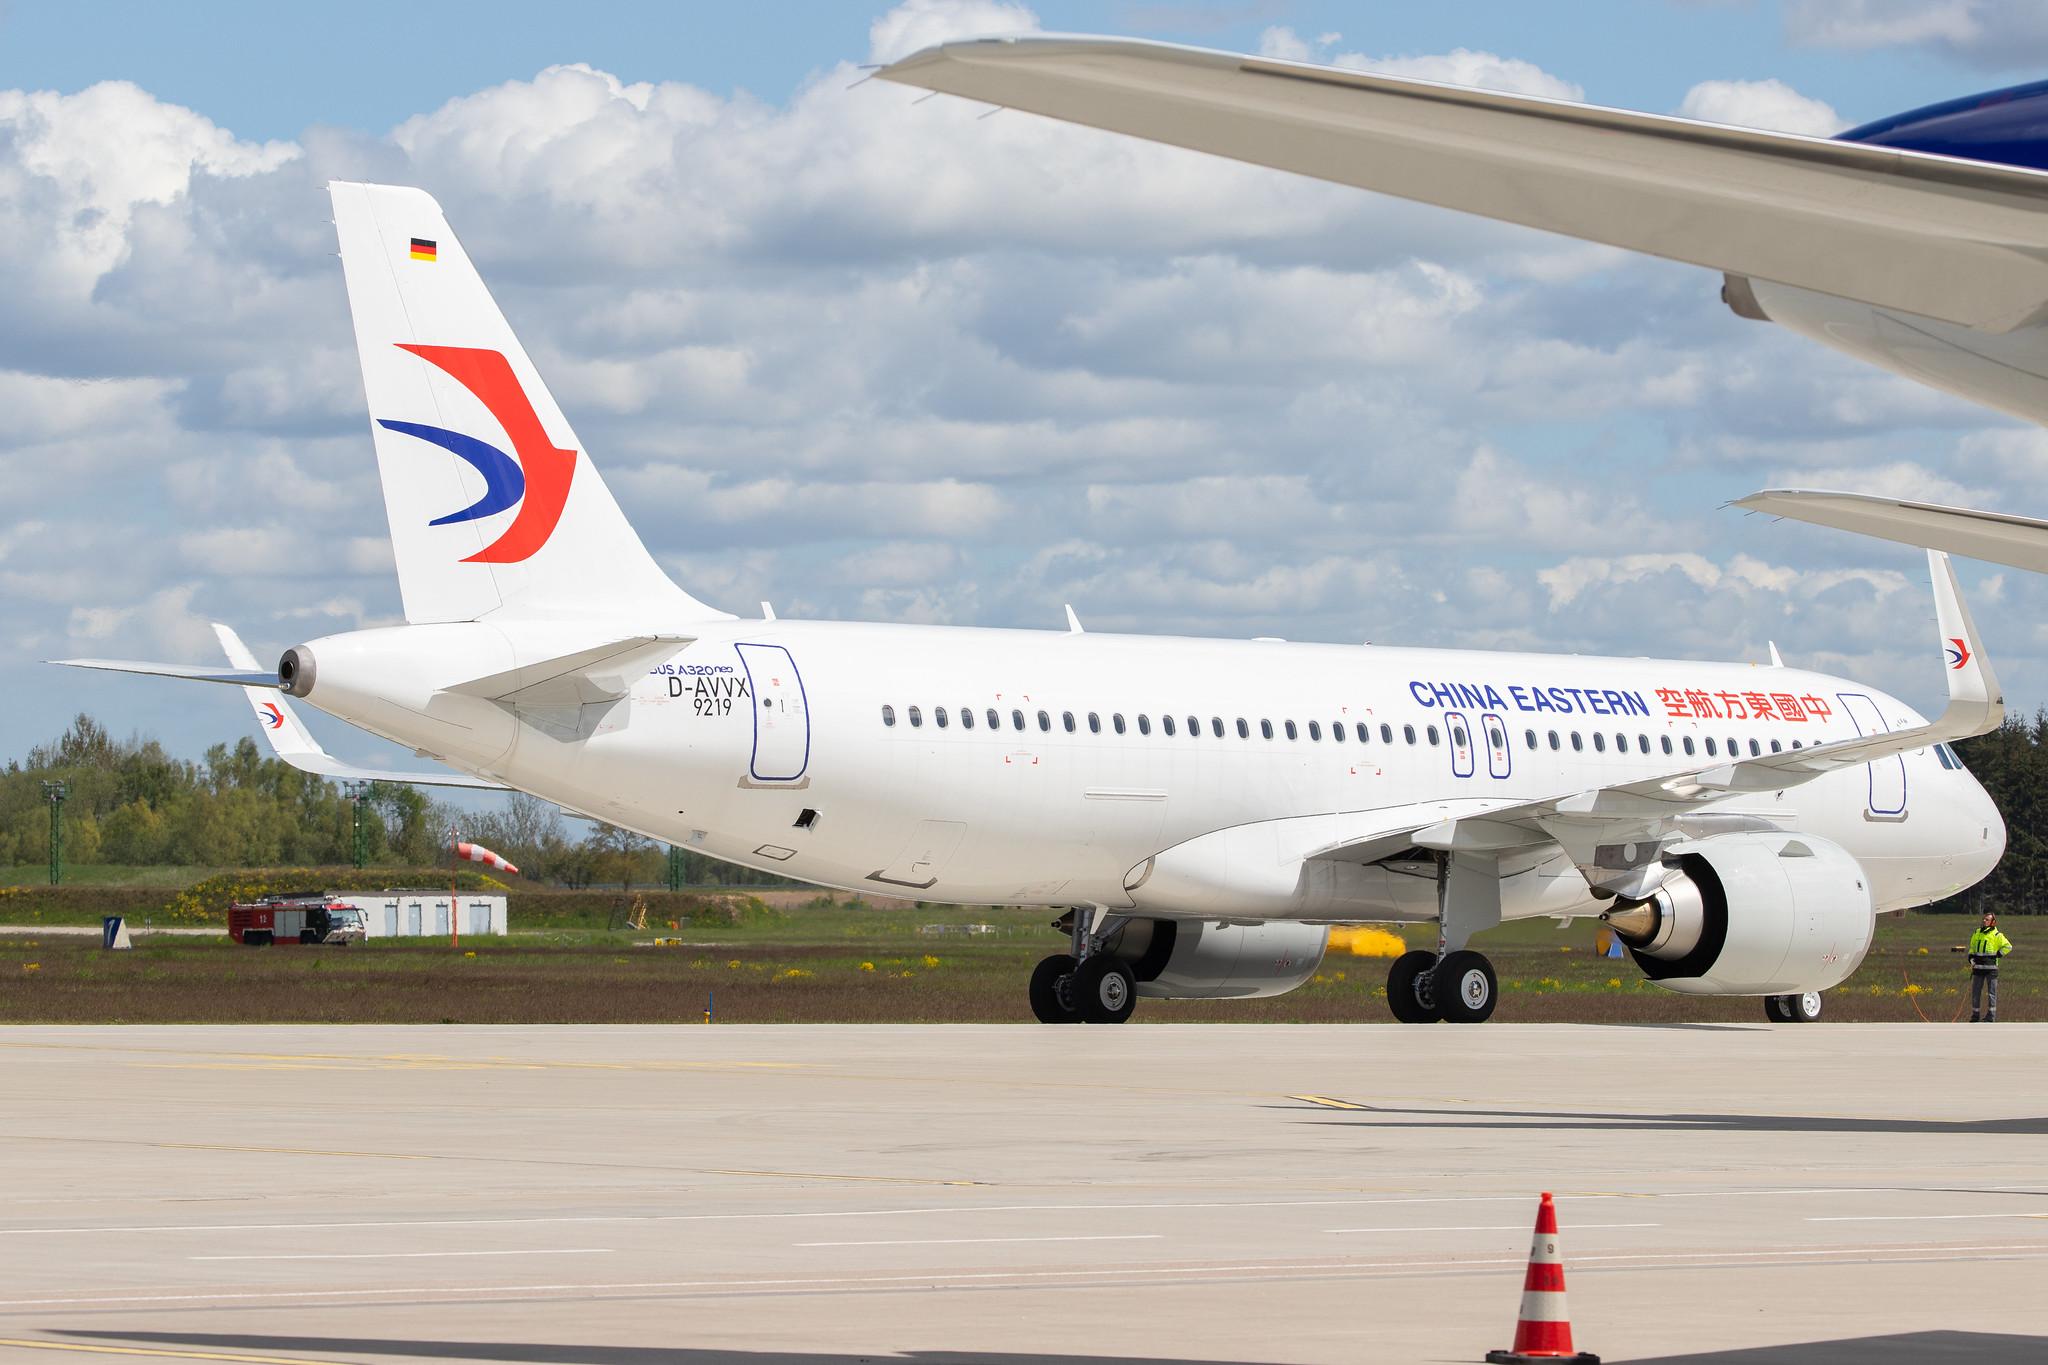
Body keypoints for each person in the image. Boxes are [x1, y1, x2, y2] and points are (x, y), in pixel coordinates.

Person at [1956, 910, 2014, 1022]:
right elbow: (1972, 947)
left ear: (1993, 922)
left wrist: (1998, 955)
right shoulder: (1977, 932)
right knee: (1975, 992)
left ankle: (1991, 1015)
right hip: (1978, 968)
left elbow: (2008, 946)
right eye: (1984, 919)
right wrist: (1971, 958)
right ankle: (1975, 1015)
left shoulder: (1997, 935)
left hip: (1991, 969)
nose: (1984, 921)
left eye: (1987, 919)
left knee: (1992, 993)